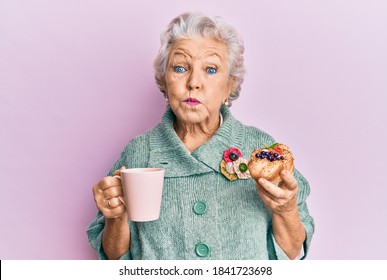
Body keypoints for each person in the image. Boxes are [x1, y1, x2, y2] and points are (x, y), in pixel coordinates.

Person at [87, 12, 314, 260]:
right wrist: (115, 217)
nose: (194, 82)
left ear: (230, 85)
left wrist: (286, 209)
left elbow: (292, 253)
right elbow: (115, 257)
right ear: (164, 81)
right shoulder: (139, 153)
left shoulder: (261, 151)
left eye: (211, 69)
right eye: (180, 68)